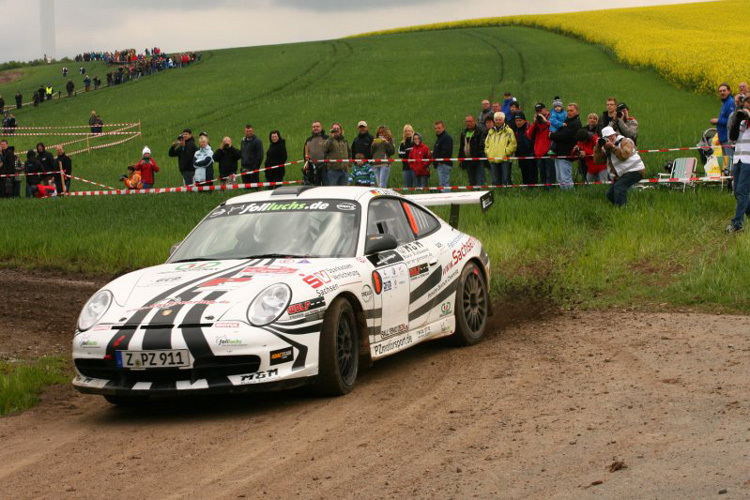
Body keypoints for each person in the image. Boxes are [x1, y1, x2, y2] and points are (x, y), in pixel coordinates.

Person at [594, 126, 645, 207]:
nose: (610, 139)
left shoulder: (625, 141)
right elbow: (598, 161)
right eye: (607, 138)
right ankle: (619, 207)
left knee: (619, 187)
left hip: (636, 170)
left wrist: (613, 147)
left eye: (611, 136)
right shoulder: (606, 147)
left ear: (615, 134)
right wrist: (598, 147)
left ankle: (622, 209)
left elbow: (624, 156)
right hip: (623, 174)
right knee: (610, 194)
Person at [725, 96, 750, 233]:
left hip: (749, 162)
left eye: (748, 107)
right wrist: (736, 119)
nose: (745, 110)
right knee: (736, 191)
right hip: (738, 159)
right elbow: (733, 137)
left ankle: (737, 224)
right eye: (744, 107)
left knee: (742, 191)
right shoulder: (741, 122)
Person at [549, 103, 582, 190]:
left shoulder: (575, 123)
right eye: (568, 110)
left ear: (577, 111)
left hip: (566, 154)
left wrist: (552, 135)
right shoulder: (566, 121)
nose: (569, 112)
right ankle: (564, 196)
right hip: (559, 153)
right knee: (559, 178)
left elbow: (565, 135)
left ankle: (571, 195)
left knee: (565, 178)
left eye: (571, 110)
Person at [485, 112, 517, 185]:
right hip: (493, 158)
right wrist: (488, 152)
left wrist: (506, 152)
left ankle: (506, 195)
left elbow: (513, 144)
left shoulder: (509, 131)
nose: (498, 121)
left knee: (505, 179)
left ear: (503, 120)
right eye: (496, 119)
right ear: (494, 120)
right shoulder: (491, 131)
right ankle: (498, 195)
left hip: (505, 159)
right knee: (495, 181)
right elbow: (486, 144)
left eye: (500, 119)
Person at [711, 83, 736, 167]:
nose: (722, 93)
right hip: (722, 138)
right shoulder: (725, 103)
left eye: (724, 91)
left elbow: (731, 121)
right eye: (720, 91)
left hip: (728, 139)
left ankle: (731, 179)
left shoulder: (730, 103)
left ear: (729, 91)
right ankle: (726, 178)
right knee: (725, 165)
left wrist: (718, 120)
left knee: (730, 163)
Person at [458, 115, 486, 186]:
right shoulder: (464, 133)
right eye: (467, 121)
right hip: (468, 161)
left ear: (474, 121)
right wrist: (460, 157)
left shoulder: (480, 132)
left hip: (478, 160)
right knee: (471, 181)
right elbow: (461, 146)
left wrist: (477, 156)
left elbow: (482, 146)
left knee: (480, 180)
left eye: (470, 121)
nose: (468, 123)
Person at [513, 112, 536, 185]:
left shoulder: (529, 128)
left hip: (530, 155)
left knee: (532, 172)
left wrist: (532, 153)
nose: (518, 122)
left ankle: (533, 187)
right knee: (524, 172)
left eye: (520, 120)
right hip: (521, 155)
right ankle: (525, 186)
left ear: (524, 121)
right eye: (516, 121)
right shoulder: (516, 130)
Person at [303, 121, 329, 185]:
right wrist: (306, 163)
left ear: (321, 127)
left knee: (326, 185)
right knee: (315, 186)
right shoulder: (308, 140)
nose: (315, 128)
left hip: (325, 167)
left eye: (317, 126)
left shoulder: (327, 138)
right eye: (314, 127)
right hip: (313, 167)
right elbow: (305, 153)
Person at [432, 121, 453, 188]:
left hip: (443, 164)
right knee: (442, 184)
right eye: (436, 128)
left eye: (439, 128)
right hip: (441, 164)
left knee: (444, 184)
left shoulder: (446, 138)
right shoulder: (440, 138)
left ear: (443, 128)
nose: (437, 130)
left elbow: (447, 151)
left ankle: (447, 197)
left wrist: (440, 161)